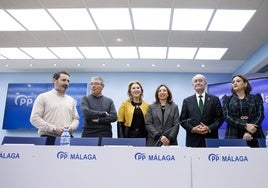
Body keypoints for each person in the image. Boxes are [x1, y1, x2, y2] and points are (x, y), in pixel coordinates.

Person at [30, 71, 79, 145]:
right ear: (54, 80)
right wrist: (54, 129)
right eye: (63, 80)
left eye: (68, 81)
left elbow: (75, 119)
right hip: (48, 138)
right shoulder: (43, 97)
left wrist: (71, 127)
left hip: (67, 138)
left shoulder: (71, 100)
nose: (66, 83)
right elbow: (34, 118)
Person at [180, 74, 224, 147]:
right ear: (193, 85)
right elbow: (182, 120)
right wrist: (193, 129)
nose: (198, 83)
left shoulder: (214, 99)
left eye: (200, 80)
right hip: (193, 139)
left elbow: (220, 118)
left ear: (205, 84)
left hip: (210, 138)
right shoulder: (187, 101)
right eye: (195, 81)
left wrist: (209, 128)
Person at [222, 74, 265, 147]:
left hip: (254, 135)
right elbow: (227, 117)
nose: (235, 83)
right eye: (233, 82)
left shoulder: (256, 98)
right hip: (233, 135)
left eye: (238, 81)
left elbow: (260, 115)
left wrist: (249, 132)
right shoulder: (227, 99)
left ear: (245, 84)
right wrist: (245, 125)